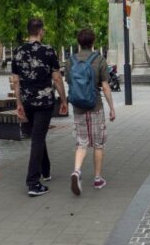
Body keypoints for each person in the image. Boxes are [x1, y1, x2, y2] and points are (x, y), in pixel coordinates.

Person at [12, 18, 68, 196]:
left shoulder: (18, 51)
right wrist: (64, 100)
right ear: (40, 31)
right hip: (44, 101)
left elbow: (15, 80)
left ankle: (46, 170)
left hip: (27, 101)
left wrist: (19, 103)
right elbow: (57, 78)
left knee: (37, 135)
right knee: (37, 139)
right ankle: (33, 183)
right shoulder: (48, 51)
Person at [65, 28, 116, 195]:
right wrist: (112, 108)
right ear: (93, 42)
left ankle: (77, 171)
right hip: (95, 106)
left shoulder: (70, 61)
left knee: (82, 142)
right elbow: (106, 87)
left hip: (78, 107)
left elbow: (70, 82)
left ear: (79, 42)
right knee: (98, 144)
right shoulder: (99, 60)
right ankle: (97, 178)